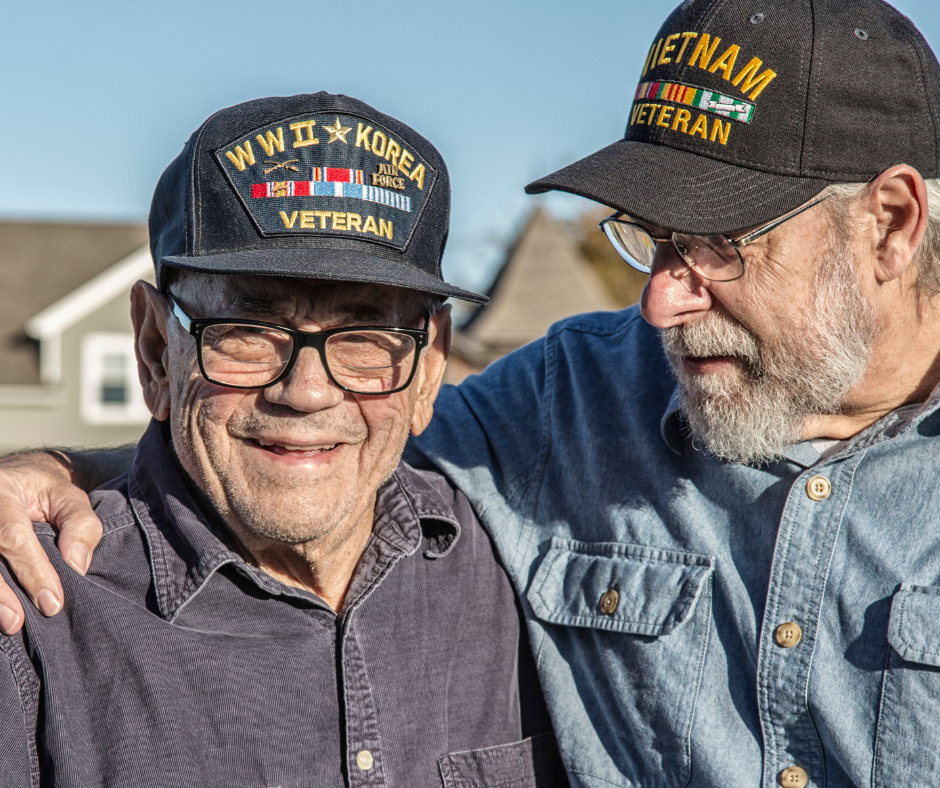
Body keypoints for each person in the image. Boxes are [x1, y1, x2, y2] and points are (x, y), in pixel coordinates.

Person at [2, 0, 940, 786]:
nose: (657, 302)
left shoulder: (539, 455)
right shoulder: (572, 395)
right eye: (652, 240)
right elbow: (320, 444)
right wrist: (52, 472)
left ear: (892, 226)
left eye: (718, 247)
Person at [0, 92, 565, 787]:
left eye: (365, 336)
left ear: (428, 368)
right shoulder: (30, 621)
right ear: (154, 349)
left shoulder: (528, 572)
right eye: (248, 330)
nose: (305, 392)